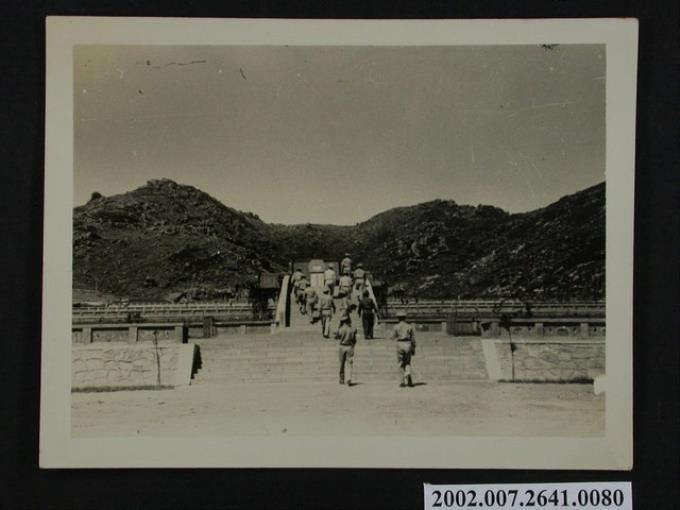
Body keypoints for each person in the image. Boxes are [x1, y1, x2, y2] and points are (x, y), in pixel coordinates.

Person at [391, 311, 416, 387]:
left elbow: (393, 336)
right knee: (407, 362)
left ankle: (402, 381)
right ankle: (408, 376)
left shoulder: (396, 326)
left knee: (401, 363)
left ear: (398, 318)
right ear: (405, 318)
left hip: (400, 344)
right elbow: (413, 338)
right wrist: (413, 348)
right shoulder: (409, 326)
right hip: (408, 343)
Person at [335, 314, 357, 386]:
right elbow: (354, 340)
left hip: (342, 346)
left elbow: (336, 337)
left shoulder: (341, 329)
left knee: (341, 364)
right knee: (349, 363)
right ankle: (348, 379)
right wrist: (353, 346)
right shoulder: (352, 329)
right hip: (349, 346)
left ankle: (341, 378)